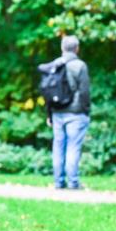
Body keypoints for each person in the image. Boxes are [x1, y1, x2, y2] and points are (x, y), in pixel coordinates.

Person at [39, 35, 91, 190]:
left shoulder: (54, 65)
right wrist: (86, 110)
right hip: (75, 113)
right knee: (73, 147)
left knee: (58, 146)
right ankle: (73, 183)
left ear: (62, 48)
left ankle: (58, 182)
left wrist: (49, 114)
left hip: (57, 112)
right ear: (77, 48)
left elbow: (48, 92)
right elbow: (84, 92)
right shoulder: (80, 66)